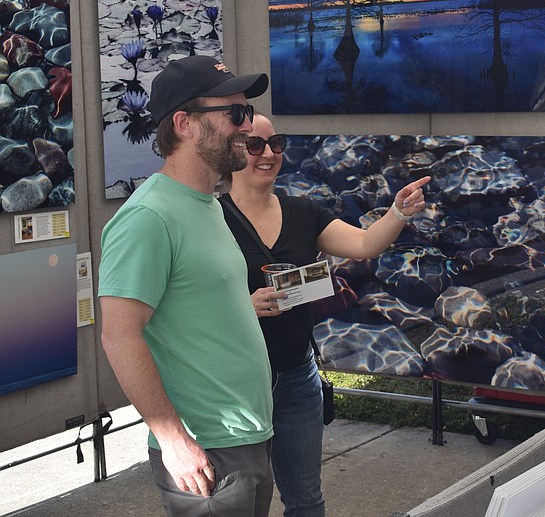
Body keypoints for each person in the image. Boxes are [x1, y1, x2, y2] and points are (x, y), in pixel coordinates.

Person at [219, 114, 430, 517]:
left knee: (306, 501)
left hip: (297, 377)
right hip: (236, 381)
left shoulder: (303, 212)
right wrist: (243, 307)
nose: (267, 154)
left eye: (275, 144)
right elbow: (189, 301)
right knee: (239, 504)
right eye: (255, 145)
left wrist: (398, 212)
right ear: (234, 150)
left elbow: (366, 243)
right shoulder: (211, 219)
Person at [98, 55, 275, 516]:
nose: (248, 126)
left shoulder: (207, 203)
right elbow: (119, 335)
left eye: (248, 113)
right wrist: (173, 439)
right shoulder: (148, 217)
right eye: (235, 114)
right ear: (184, 124)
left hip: (247, 436)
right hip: (206, 450)